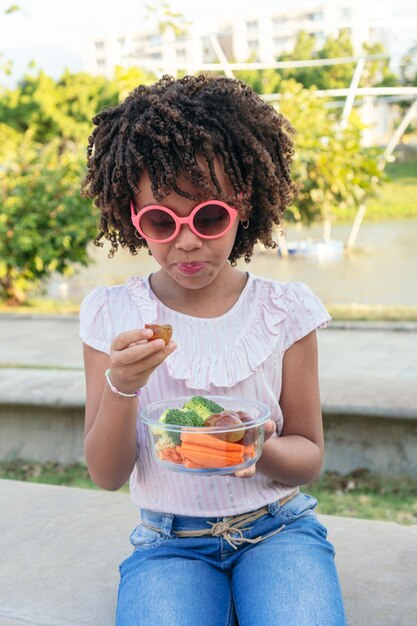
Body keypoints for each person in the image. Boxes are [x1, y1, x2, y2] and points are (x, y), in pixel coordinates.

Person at [79, 74, 347, 626]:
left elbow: (309, 456)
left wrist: (253, 449)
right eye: (161, 220)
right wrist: (122, 386)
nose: (187, 241)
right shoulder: (115, 314)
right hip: (168, 541)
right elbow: (107, 473)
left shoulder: (284, 310)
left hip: (278, 529)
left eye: (209, 215)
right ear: (132, 217)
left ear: (242, 204)